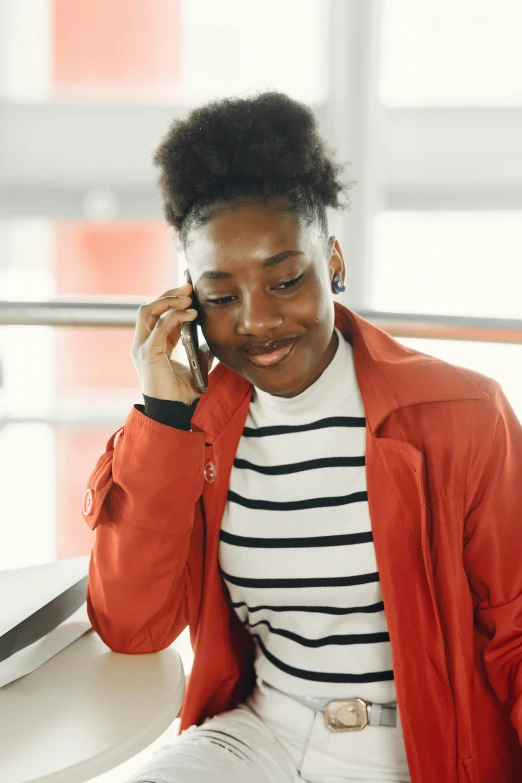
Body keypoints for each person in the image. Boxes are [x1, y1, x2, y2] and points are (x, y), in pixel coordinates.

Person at [82, 92, 522, 783]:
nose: (256, 322)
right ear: (189, 302)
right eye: (222, 296)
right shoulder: (197, 432)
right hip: (265, 737)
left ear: (334, 262)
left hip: (425, 747)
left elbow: (517, 630)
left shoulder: (460, 414)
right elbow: (132, 624)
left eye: (285, 280)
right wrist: (162, 419)